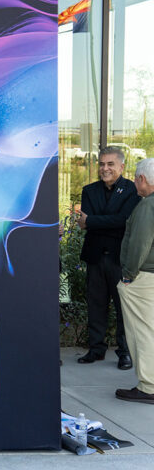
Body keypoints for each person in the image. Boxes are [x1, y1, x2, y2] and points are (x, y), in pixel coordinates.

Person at [78, 146, 140, 369]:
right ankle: (96, 349)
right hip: (95, 256)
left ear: (121, 166)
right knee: (96, 305)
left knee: (123, 308)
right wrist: (107, 221)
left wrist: (94, 221)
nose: (105, 168)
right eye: (102, 164)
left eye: (110, 164)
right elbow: (92, 222)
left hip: (119, 258)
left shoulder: (132, 190)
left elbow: (124, 221)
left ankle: (125, 352)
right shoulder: (89, 190)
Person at [115, 158, 154, 404]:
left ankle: (149, 386)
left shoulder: (147, 205)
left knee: (143, 332)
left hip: (144, 278)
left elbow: (140, 242)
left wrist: (128, 275)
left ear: (141, 179)